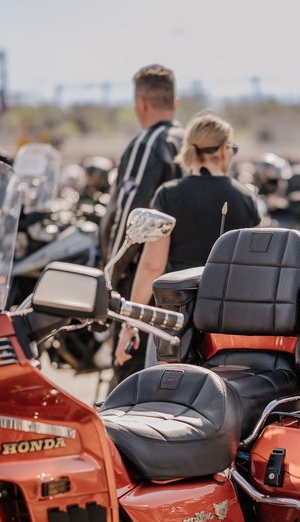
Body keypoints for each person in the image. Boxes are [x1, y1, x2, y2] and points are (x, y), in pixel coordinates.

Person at [114, 113, 260, 366]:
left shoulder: (169, 195)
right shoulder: (246, 199)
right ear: (224, 150)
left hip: (174, 320)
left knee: (165, 388)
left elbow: (152, 266)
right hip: (228, 323)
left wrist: (130, 324)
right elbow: (253, 268)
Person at [101, 64, 184, 385]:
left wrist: (109, 275)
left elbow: (128, 217)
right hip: (186, 280)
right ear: (175, 102)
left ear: (142, 104)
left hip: (143, 280)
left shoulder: (148, 143)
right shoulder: (191, 142)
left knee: (131, 376)